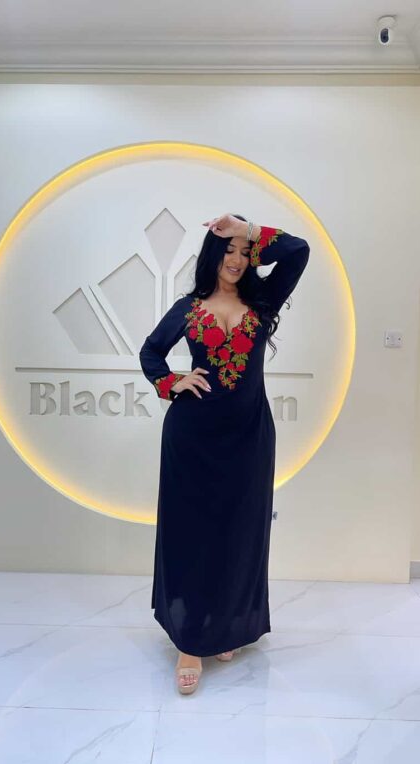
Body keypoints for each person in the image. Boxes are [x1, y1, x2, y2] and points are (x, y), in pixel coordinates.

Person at [139, 212, 310, 694]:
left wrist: (247, 229)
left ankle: (226, 623)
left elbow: (298, 251)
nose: (236, 259)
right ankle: (190, 642)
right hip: (192, 437)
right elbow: (150, 352)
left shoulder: (263, 302)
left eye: (244, 252)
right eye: (228, 250)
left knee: (239, 531)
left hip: (249, 437)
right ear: (213, 255)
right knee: (191, 533)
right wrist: (172, 382)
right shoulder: (188, 308)